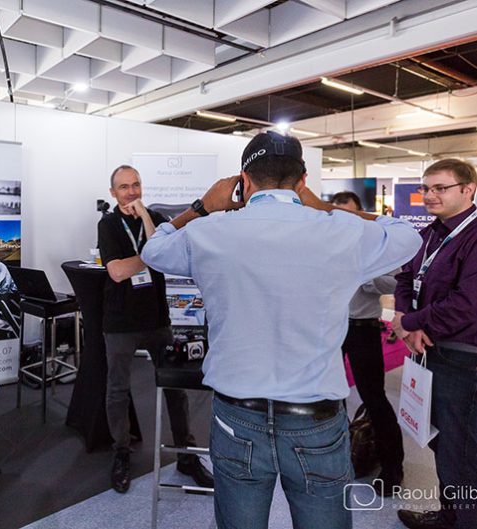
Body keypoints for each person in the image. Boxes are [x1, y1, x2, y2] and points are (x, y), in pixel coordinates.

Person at [141, 131, 422, 529]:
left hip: (237, 415)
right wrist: (325, 208)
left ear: (243, 181)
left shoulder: (209, 232)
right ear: (302, 179)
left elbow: (153, 251)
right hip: (316, 419)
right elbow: (408, 234)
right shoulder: (341, 232)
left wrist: (202, 208)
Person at [97, 164, 213, 493]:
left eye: (135, 185)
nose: (131, 192)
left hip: (157, 320)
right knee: (117, 390)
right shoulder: (107, 224)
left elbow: (168, 251)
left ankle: (187, 456)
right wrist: (153, 255)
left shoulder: (158, 220)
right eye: (123, 187)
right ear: (113, 192)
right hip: (119, 322)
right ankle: (121, 452)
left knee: (175, 390)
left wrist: (148, 222)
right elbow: (118, 272)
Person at [392, 159, 477, 529]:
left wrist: (409, 322)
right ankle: (451, 514)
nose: (428, 195)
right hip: (433, 353)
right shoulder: (430, 234)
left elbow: (467, 304)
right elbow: (405, 277)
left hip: (466, 361)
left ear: (467, 189)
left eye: (439, 188)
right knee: (444, 444)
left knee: (463, 451)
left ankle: (463, 520)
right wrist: (406, 323)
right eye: (425, 188)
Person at [331, 191, 404, 494]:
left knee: (374, 398)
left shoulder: (375, 246)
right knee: (327, 398)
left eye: (349, 214)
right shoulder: (324, 244)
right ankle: (335, 462)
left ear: (361, 215)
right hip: (328, 331)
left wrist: (365, 276)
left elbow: (396, 282)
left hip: (362, 329)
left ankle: (392, 468)